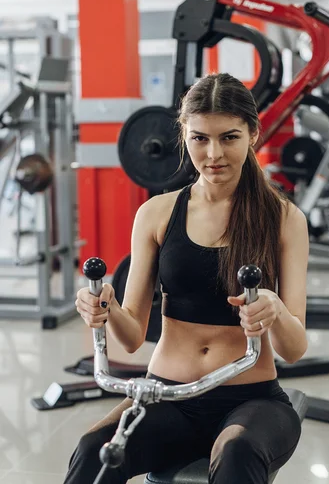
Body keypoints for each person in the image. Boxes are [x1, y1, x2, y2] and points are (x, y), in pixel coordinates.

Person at [64, 72, 309, 484]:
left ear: (252, 133)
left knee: (238, 453)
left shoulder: (284, 219)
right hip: (167, 396)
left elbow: (294, 348)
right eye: (200, 139)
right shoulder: (157, 214)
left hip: (249, 399)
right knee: (93, 452)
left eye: (229, 137)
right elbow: (131, 337)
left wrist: (275, 312)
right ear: (183, 134)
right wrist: (103, 308)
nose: (214, 154)